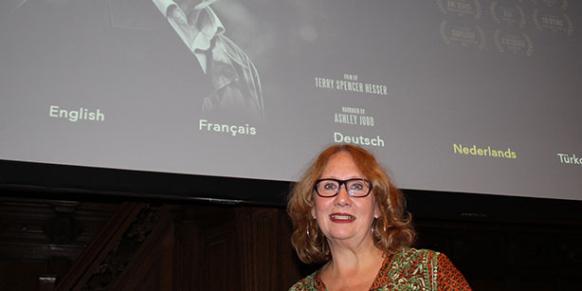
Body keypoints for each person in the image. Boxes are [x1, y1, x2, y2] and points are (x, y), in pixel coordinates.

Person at [287, 144, 471, 290]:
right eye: (329, 186)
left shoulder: (430, 271)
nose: (341, 199)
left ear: (378, 207)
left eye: (357, 186)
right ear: (312, 207)